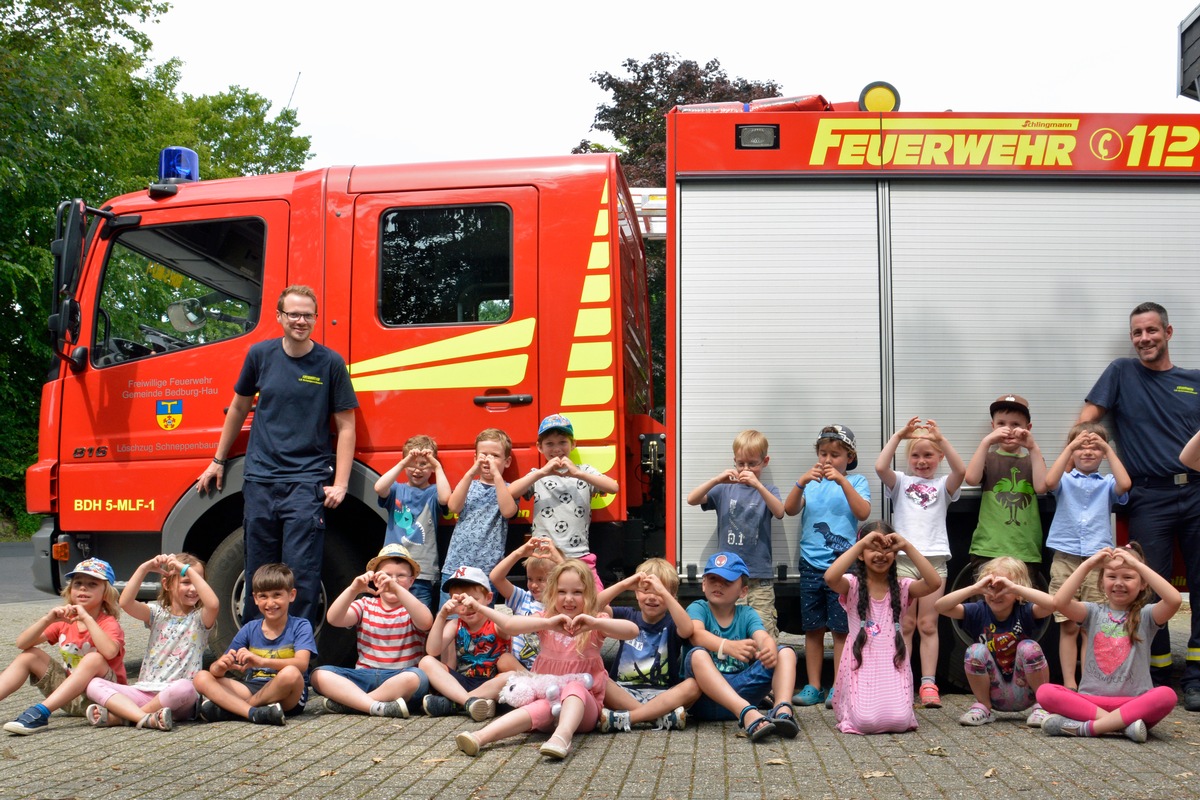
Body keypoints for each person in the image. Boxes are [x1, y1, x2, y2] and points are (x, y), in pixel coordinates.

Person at [196, 285, 359, 628]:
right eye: (294, 314)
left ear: (316, 317)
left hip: (306, 482)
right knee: (260, 571)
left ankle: (295, 656)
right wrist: (217, 460)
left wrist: (340, 484)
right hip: (260, 480)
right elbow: (240, 407)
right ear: (280, 317)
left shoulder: (330, 363)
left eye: (308, 315)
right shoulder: (260, 355)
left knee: (301, 572)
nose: (301, 321)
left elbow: (346, 427)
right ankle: (257, 649)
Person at [1079, 302, 1200, 705]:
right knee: (1149, 587)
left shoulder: (1194, 381)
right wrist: (1084, 452)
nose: (1144, 338)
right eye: (1136, 333)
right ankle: (1159, 671)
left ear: (1168, 332)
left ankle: (1196, 676)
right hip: (1150, 496)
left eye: (1151, 330)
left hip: (1197, 491)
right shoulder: (1121, 372)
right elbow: (1087, 422)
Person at [453, 560, 639, 760]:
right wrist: (547, 623)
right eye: (562, 592)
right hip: (549, 704)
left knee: (574, 687)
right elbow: (509, 624)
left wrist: (594, 622)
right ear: (552, 593)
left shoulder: (595, 620)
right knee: (539, 706)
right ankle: (479, 737)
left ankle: (562, 738)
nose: (569, 599)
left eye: (577, 592)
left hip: (584, 711)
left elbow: (632, 631)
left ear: (589, 594)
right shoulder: (546, 618)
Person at [1037, 543, 1182, 742]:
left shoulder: (1147, 615)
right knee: (1045, 692)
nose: (1119, 583)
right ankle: (1122, 728)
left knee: (1166, 695)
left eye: (1128, 577)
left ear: (1143, 583)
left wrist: (1137, 565)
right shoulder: (1093, 611)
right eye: (1112, 576)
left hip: (1133, 704)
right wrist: (1088, 565)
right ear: (1101, 581)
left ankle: (1086, 728)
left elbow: (1174, 600)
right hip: (1091, 702)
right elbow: (1059, 602)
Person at [874, 417, 966, 709]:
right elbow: (880, 467)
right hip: (903, 562)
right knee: (905, 624)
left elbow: (961, 470)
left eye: (929, 455)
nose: (922, 461)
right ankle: (902, 680)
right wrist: (900, 435)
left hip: (934, 562)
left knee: (928, 624)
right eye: (915, 455)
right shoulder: (900, 482)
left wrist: (942, 440)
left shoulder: (943, 486)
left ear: (939, 457)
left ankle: (928, 684)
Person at [825, 522, 941, 734]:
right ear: (861, 553)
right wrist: (860, 545)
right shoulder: (852, 584)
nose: (881, 555)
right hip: (861, 665)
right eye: (873, 549)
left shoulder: (903, 586)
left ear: (895, 555)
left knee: (900, 721)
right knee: (865, 722)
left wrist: (906, 546)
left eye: (887, 549)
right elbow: (830, 577)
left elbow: (934, 583)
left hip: (892, 664)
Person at [784, 424, 870, 707]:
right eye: (823, 454)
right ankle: (813, 685)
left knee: (841, 629)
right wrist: (801, 482)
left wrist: (842, 482)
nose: (827, 460)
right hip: (810, 565)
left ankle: (840, 685)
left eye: (835, 455)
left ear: (849, 457)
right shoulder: (812, 484)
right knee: (813, 628)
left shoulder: (857, 482)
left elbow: (863, 512)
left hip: (842, 567)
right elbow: (789, 509)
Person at [1043, 422, 1131, 690]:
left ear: (1104, 453)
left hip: (1097, 560)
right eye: (1082, 446)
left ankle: (1089, 685)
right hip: (1066, 558)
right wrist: (1070, 447)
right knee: (1068, 624)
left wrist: (1108, 447)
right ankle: (1069, 684)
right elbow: (1048, 481)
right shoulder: (1065, 481)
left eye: (1095, 447)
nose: (1088, 451)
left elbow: (1126, 484)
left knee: (1090, 626)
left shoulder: (1108, 483)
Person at [85, 553, 217, 730]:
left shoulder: (200, 618)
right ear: (166, 584)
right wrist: (144, 568)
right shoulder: (157, 613)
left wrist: (185, 570)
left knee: (184, 687)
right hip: (145, 691)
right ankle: (145, 717)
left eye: (197, 581)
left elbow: (214, 604)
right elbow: (125, 602)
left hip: (179, 700)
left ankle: (125, 717)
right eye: (186, 582)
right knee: (93, 684)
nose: (193, 588)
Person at [682, 552, 799, 743]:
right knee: (697, 655)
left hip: (742, 691)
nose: (718, 585)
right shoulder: (698, 607)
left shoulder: (746, 613)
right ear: (703, 584)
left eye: (726, 582)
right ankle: (746, 715)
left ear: (743, 591)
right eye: (712, 579)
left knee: (785, 652)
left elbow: (763, 637)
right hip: (703, 698)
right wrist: (727, 646)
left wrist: (768, 649)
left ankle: (782, 711)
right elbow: (696, 635)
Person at [1, 559, 126, 735]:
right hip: (70, 698)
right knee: (29, 655)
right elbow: (22, 643)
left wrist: (87, 619)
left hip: (106, 699)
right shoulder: (65, 621)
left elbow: (110, 652)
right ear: (70, 590)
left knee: (94, 658)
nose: (83, 588)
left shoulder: (108, 623)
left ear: (106, 593)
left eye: (92, 584)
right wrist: (47, 620)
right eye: (78, 584)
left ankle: (40, 713)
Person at [310, 544, 433, 718]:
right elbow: (334, 619)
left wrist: (396, 589)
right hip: (364, 676)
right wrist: (353, 589)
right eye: (387, 576)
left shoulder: (412, 606)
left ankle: (355, 703)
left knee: (418, 677)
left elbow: (426, 622)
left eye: (401, 576)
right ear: (375, 579)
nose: (393, 580)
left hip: (399, 677)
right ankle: (376, 706)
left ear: (412, 581)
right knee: (318, 675)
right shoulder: (365, 605)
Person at [686, 429, 785, 638]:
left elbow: (779, 511)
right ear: (734, 462)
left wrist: (757, 485)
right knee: (732, 630)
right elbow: (692, 499)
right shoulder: (725, 490)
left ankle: (763, 669)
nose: (746, 469)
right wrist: (717, 480)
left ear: (765, 461)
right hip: (729, 577)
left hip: (760, 576)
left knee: (763, 630)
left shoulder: (768, 490)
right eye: (741, 464)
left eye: (752, 464)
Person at [935, 557, 1055, 727]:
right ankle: (983, 707)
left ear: (1017, 592)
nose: (995, 595)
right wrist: (974, 588)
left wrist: (1014, 587)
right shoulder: (978, 610)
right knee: (975, 650)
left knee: (1029, 648)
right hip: (994, 692)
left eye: (1003, 589)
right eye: (990, 587)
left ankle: (1043, 706)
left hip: (1026, 692)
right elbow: (940, 607)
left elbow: (1053, 605)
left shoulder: (1025, 612)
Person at [192, 563, 316, 725]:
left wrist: (261, 661)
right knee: (201, 677)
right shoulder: (250, 628)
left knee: (291, 673)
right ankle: (253, 712)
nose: (270, 603)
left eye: (277, 595)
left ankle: (238, 709)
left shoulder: (301, 626)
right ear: (255, 599)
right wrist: (221, 666)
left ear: (291, 595)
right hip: (252, 686)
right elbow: (216, 671)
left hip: (288, 695)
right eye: (263, 596)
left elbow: (302, 664)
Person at [509, 413, 619, 590]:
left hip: (579, 556)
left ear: (573, 444)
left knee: (596, 603)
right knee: (548, 607)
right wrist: (541, 473)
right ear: (539, 447)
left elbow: (613, 487)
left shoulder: (584, 471)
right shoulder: (537, 475)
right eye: (549, 444)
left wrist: (578, 473)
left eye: (562, 442)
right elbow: (510, 492)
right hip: (543, 558)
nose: (557, 449)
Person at [594, 558, 700, 732]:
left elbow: (688, 629)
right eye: (645, 590)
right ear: (636, 593)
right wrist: (624, 584)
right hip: (623, 691)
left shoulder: (673, 623)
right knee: (599, 679)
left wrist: (664, 593)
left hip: (663, 695)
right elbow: (593, 606)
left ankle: (629, 718)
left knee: (693, 686)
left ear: (672, 597)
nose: (652, 597)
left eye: (659, 592)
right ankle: (657, 718)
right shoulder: (627, 615)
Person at [964, 394, 1046, 576]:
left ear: (1028, 428)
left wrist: (1033, 447)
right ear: (992, 426)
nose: (1008, 430)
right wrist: (986, 442)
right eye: (1001, 424)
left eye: (1016, 424)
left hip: (1025, 550)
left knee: (1022, 602)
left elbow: (1041, 487)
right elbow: (971, 478)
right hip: (988, 549)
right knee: (986, 601)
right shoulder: (988, 458)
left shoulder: (1033, 459)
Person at [418, 567, 512, 721]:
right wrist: (441, 616)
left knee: (510, 676)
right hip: (462, 682)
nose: (467, 606)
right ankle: (470, 702)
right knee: (426, 662)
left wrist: (482, 608)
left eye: (473, 599)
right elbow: (433, 650)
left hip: (492, 683)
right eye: (460, 601)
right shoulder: (456, 624)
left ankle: (457, 703)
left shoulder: (495, 623)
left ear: (489, 598)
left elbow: (509, 628)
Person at [373, 435, 452, 613]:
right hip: (392, 570)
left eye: (423, 464)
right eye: (412, 464)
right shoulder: (396, 489)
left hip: (421, 573)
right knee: (391, 616)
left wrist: (437, 465)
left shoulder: (433, 492)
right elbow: (379, 487)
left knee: (420, 621)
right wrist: (403, 463)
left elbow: (446, 497)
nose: (417, 469)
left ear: (431, 467)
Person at [442, 428, 518, 607]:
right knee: (451, 618)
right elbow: (453, 507)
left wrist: (497, 476)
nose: (488, 460)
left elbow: (508, 511)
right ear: (475, 458)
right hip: (455, 566)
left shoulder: (509, 488)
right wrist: (470, 472)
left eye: (495, 456)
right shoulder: (468, 484)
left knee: (481, 621)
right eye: (483, 455)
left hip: (487, 570)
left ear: (507, 462)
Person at [490, 536, 562, 668]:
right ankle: (531, 681)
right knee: (504, 660)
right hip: (520, 666)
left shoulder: (562, 604)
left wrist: (559, 561)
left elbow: (573, 580)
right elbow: (495, 578)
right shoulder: (523, 598)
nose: (533, 585)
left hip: (551, 666)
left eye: (541, 580)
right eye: (530, 579)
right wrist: (519, 553)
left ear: (558, 580)